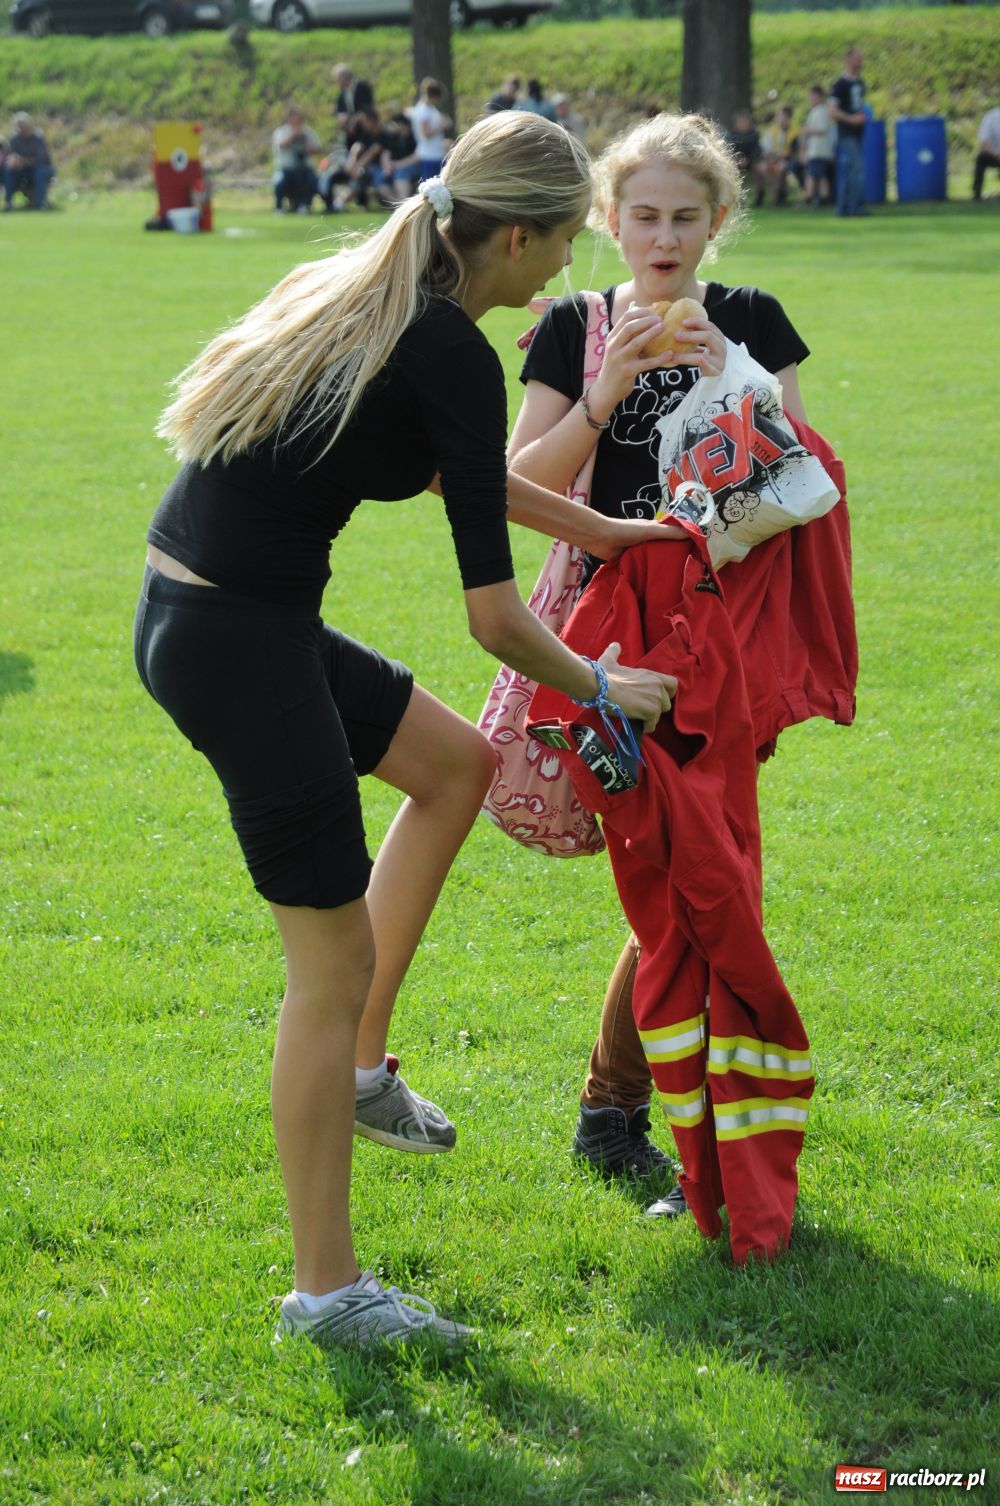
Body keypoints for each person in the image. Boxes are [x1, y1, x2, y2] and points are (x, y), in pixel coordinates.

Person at [134, 111, 676, 1350]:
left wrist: (601, 536)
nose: (569, 269)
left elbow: (454, 476)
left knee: (454, 765)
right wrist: (599, 682)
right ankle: (328, 1294)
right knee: (327, 974)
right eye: (567, 240)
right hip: (241, 648)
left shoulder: (395, 298)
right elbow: (494, 622)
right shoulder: (446, 343)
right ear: (520, 237)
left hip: (206, 615)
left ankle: (366, 1073)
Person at [508, 111, 843, 1214]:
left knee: (692, 871)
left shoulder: (750, 320)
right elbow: (521, 488)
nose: (662, 235)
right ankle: (622, 1113)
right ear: (607, 220)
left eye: (684, 217)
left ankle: (619, 1114)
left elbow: (800, 488)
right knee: (669, 875)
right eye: (641, 214)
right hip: (605, 627)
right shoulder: (570, 325)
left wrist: (732, 376)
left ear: (718, 223)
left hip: (723, 635)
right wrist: (607, 393)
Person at [829, 47, 868, 218]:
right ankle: (855, 206)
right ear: (849, 60)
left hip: (858, 132)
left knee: (850, 170)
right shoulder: (840, 85)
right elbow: (833, 111)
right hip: (846, 133)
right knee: (858, 168)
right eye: (857, 58)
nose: (861, 61)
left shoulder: (860, 83)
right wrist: (852, 120)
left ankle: (843, 208)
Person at [271, 105, 320, 214]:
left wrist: (305, 138)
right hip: (286, 169)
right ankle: (279, 207)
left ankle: (305, 205)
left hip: (304, 169)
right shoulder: (281, 131)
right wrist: (293, 135)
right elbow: (281, 145)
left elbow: (317, 150)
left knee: (314, 181)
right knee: (279, 182)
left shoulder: (308, 132)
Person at [3, 112, 54, 211]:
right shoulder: (15, 138)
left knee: (39, 172)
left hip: (43, 168)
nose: (23, 130)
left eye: (24, 127)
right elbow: (10, 155)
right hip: (23, 169)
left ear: (30, 125)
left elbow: (41, 159)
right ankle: (8, 202)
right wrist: (12, 161)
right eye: (20, 128)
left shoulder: (38, 137)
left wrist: (24, 161)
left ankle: (39, 203)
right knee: (9, 171)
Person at [409, 77, 451, 184]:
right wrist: (442, 124)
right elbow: (426, 134)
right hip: (429, 156)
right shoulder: (423, 111)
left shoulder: (430, 108)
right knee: (431, 188)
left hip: (437, 153)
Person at [802, 84, 836, 206]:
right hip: (816, 150)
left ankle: (810, 197)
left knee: (813, 175)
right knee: (820, 175)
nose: (811, 99)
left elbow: (822, 129)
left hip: (818, 150)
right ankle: (823, 197)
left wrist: (807, 131)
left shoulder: (821, 111)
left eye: (813, 96)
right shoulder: (816, 111)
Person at [726, 108, 766, 207]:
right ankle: (736, 197)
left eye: (745, 122)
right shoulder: (732, 136)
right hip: (737, 161)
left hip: (752, 161)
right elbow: (730, 150)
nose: (743, 124)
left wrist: (749, 160)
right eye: (740, 122)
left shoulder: (754, 134)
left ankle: (760, 195)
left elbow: (757, 150)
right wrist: (738, 159)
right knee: (730, 170)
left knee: (761, 169)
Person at [761, 105, 795, 205]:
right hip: (772, 159)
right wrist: (771, 158)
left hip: (787, 159)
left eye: (783, 116)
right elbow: (765, 149)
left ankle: (779, 194)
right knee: (763, 168)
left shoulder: (796, 130)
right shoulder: (771, 131)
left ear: (789, 118)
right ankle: (776, 192)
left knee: (781, 168)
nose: (781, 119)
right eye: (779, 116)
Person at [332, 63, 375, 129]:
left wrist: (355, 119)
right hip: (349, 130)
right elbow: (338, 110)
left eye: (337, 80)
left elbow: (368, 107)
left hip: (365, 128)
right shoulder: (342, 93)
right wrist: (340, 116)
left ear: (344, 78)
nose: (336, 83)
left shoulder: (363, 87)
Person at [972, 105, 1000, 201]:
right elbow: (983, 143)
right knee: (981, 158)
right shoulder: (991, 117)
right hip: (993, 154)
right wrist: (996, 153)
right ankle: (977, 193)